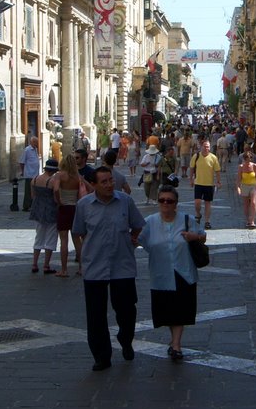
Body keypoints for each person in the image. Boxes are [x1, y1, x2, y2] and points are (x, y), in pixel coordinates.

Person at [72, 166, 146, 371]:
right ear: (93, 185)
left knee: (127, 310)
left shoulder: (125, 201)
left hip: (122, 265)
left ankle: (125, 338)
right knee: (96, 315)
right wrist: (83, 255)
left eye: (110, 180)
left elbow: (138, 224)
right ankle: (101, 356)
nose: (109, 185)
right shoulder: (84, 205)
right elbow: (78, 231)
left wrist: (132, 239)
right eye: (103, 182)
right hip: (94, 266)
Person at [137, 185, 206, 361]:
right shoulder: (150, 222)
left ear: (176, 203)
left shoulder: (187, 219)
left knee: (181, 309)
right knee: (167, 310)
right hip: (161, 272)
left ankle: (176, 345)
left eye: (170, 201)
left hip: (184, 271)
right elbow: (142, 242)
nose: (165, 204)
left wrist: (194, 237)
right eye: (162, 200)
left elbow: (202, 236)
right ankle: (174, 340)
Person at [53, 154, 87, 278]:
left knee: (63, 241)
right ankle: (82, 268)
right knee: (77, 240)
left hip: (63, 208)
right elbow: (90, 188)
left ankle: (64, 270)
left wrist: (59, 200)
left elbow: (56, 189)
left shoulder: (59, 175)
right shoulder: (77, 177)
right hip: (75, 209)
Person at [29, 158, 60, 274]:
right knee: (51, 238)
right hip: (51, 211)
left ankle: (34, 264)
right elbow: (56, 197)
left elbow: (33, 196)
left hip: (37, 210)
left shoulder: (35, 179)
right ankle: (46, 265)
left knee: (39, 237)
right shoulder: (52, 181)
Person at [190, 141, 222, 230]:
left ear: (210, 147)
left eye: (208, 146)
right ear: (201, 147)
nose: (206, 148)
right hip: (198, 183)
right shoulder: (196, 156)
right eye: (204, 146)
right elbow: (192, 168)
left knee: (208, 203)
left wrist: (218, 181)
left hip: (209, 184)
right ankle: (198, 214)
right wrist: (191, 179)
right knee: (197, 203)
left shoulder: (213, 157)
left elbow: (217, 171)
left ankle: (207, 221)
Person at [236, 149, 256, 229]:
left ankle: (252, 220)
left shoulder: (254, 166)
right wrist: (238, 188)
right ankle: (248, 220)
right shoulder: (241, 167)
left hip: (253, 185)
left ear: (251, 158)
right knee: (246, 204)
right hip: (244, 185)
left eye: (249, 159)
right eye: (246, 159)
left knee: (253, 202)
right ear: (244, 159)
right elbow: (238, 179)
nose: (248, 161)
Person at [20, 135, 40, 212]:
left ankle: (32, 205)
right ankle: (26, 206)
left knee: (34, 191)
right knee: (28, 191)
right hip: (29, 174)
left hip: (35, 174)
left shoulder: (35, 149)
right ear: (32, 142)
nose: (37, 143)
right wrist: (23, 172)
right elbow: (22, 162)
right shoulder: (27, 150)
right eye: (36, 142)